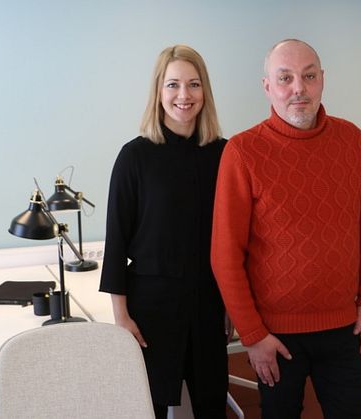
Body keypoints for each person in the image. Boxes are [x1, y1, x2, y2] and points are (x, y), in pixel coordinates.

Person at [211, 39, 361, 418]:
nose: (298, 88)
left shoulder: (351, 140)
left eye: (308, 76)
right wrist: (253, 337)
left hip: (343, 327)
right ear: (267, 86)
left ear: (322, 80)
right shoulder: (242, 151)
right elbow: (225, 256)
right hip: (274, 337)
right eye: (285, 78)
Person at [99, 45, 229, 419]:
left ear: (205, 91)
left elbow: (235, 239)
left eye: (193, 84)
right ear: (158, 91)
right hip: (150, 309)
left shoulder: (225, 154)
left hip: (208, 304)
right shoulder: (134, 157)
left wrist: (233, 303)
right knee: (148, 407)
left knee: (210, 405)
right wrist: (121, 317)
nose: (183, 96)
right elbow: (116, 242)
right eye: (173, 85)